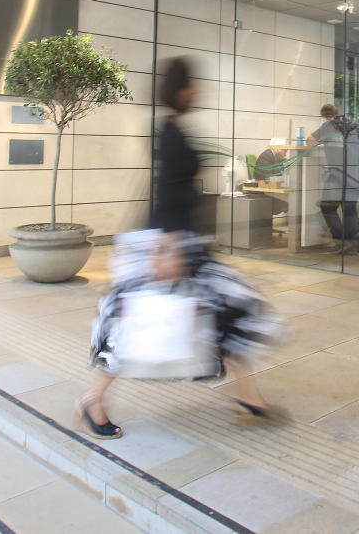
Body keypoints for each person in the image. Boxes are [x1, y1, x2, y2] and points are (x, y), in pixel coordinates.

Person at [77, 58, 286, 439]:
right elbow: (169, 191)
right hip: (169, 243)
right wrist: (170, 249)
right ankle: (93, 397)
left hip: (180, 241)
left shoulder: (172, 128)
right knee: (140, 324)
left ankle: (248, 396)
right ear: (181, 89)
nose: (199, 91)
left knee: (228, 313)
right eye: (193, 85)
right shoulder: (171, 133)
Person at [307, 103, 359, 252]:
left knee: (327, 207)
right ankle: (352, 245)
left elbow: (310, 140)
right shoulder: (354, 125)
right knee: (350, 208)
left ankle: (341, 239)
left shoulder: (328, 126)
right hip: (356, 175)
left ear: (325, 116)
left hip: (338, 176)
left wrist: (323, 147)